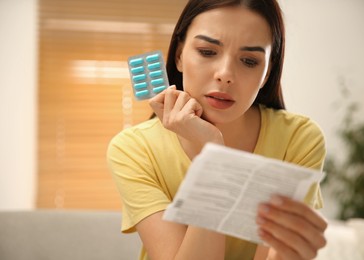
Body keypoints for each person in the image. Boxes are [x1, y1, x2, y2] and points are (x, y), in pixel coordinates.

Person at [107, 0, 328, 259]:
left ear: (267, 73)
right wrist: (213, 157)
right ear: (179, 55)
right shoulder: (133, 149)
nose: (225, 74)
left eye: (248, 60)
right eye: (207, 51)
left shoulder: (298, 139)